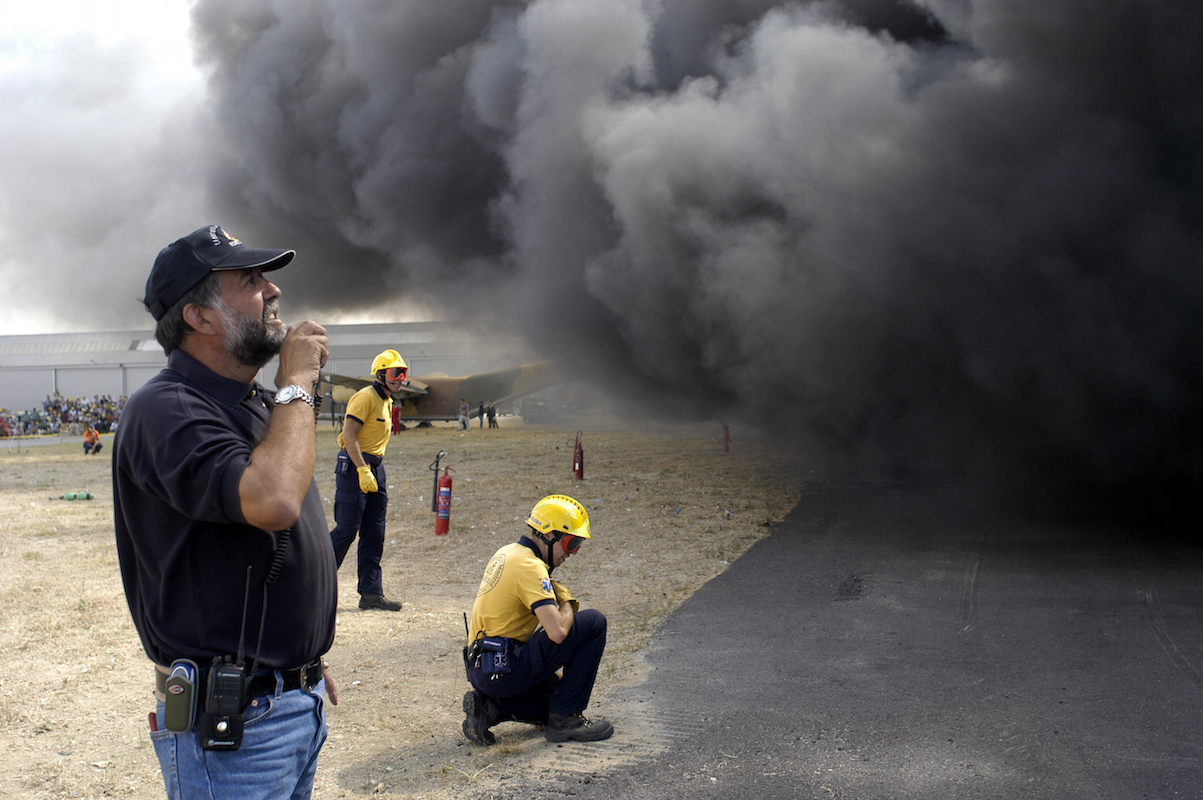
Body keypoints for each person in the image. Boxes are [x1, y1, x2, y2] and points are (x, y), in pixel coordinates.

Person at [112, 224, 338, 800]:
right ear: (200, 317)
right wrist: (294, 383)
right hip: (235, 729)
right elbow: (275, 500)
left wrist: (299, 661)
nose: (273, 292)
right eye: (251, 280)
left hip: (283, 703)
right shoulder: (164, 410)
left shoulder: (255, 405)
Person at [461, 495, 613, 744]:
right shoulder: (531, 566)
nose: (573, 553)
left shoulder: (508, 552)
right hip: (504, 666)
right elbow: (557, 633)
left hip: (484, 669)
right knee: (593, 622)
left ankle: (489, 708)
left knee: (554, 701)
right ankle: (566, 721)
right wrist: (566, 603)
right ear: (549, 536)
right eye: (571, 543)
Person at [329, 349, 408, 612]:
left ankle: (371, 594)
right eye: (396, 373)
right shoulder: (365, 397)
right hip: (355, 467)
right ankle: (314, 585)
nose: (401, 378)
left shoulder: (386, 400)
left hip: (375, 467)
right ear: (381, 374)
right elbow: (349, 436)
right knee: (346, 530)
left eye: (403, 373)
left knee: (374, 531)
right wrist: (362, 470)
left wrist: (372, 470)